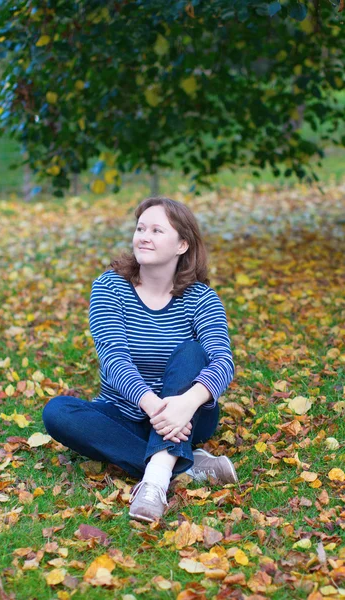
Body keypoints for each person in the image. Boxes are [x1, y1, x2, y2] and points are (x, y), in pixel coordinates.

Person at [42, 195, 238, 523]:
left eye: (157, 230)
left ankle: (156, 481)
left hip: (189, 417)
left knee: (191, 352)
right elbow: (114, 359)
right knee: (58, 412)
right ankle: (184, 464)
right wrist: (155, 408)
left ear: (182, 245)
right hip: (128, 412)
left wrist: (184, 404)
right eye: (140, 228)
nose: (143, 236)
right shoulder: (109, 287)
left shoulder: (202, 298)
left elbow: (222, 361)